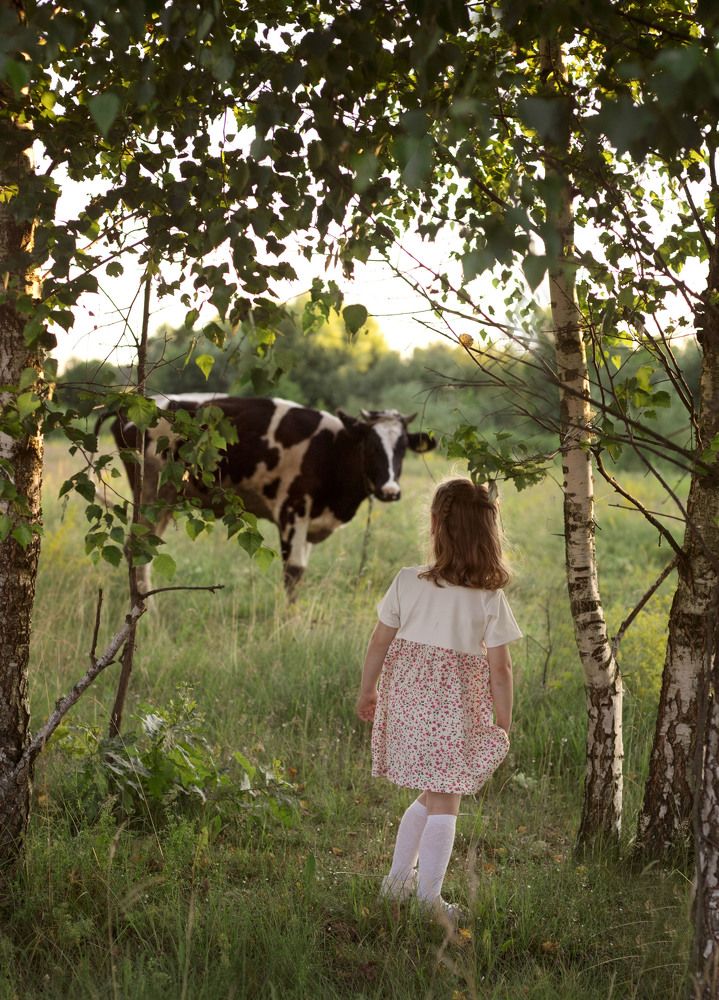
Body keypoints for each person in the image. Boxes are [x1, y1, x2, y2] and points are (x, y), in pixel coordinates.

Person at [356, 477, 521, 922]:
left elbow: (378, 643)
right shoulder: (487, 597)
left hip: (408, 706)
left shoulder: (406, 582)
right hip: (453, 715)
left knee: (433, 794)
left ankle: (395, 884)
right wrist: (502, 724)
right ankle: (429, 900)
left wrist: (368, 689)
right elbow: (500, 669)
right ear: (487, 535)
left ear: (435, 525)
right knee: (447, 799)